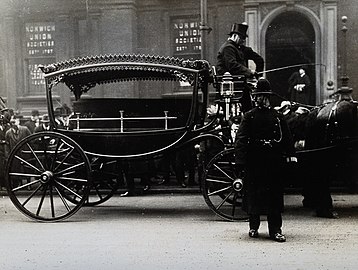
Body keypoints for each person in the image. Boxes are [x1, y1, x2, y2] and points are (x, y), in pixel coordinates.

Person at [234, 78, 297, 242]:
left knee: (274, 198)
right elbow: (241, 139)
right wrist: (240, 161)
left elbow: (287, 137)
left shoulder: (278, 116)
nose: (259, 99)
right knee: (254, 197)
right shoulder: (249, 117)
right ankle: (253, 227)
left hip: (274, 162)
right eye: (258, 96)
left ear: (268, 97)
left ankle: (275, 230)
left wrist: (291, 155)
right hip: (255, 161)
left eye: (262, 96)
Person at [217, 22, 264, 112]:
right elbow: (233, 65)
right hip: (229, 87)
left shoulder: (240, 48)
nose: (243, 40)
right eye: (242, 38)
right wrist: (250, 72)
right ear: (235, 36)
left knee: (250, 106)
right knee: (247, 108)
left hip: (240, 85)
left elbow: (259, 60)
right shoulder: (228, 48)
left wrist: (258, 76)